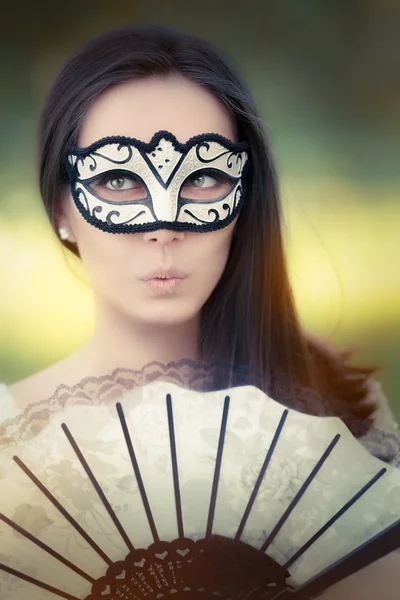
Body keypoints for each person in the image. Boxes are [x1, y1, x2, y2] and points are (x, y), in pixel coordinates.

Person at [0, 24, 399, 598]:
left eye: (206, 177)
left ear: (246, 198)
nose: (164, 228)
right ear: (60, 206)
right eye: (117, 180)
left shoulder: (339, 410)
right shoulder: (12, 455)